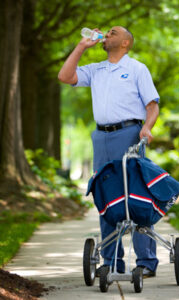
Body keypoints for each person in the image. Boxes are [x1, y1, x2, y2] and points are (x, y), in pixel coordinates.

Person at [58, 26, 160, 277]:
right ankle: (112, 260)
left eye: (113, 32)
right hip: (101, 136)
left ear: (126, 42)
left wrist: (147, 127)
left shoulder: (137, 68)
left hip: (129, 134)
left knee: (135, 196)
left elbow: (152, 105)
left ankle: (146, 261)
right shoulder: (96, 70)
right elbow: (65, 76)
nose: (107, 33)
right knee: (106, 197)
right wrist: (82, 46)